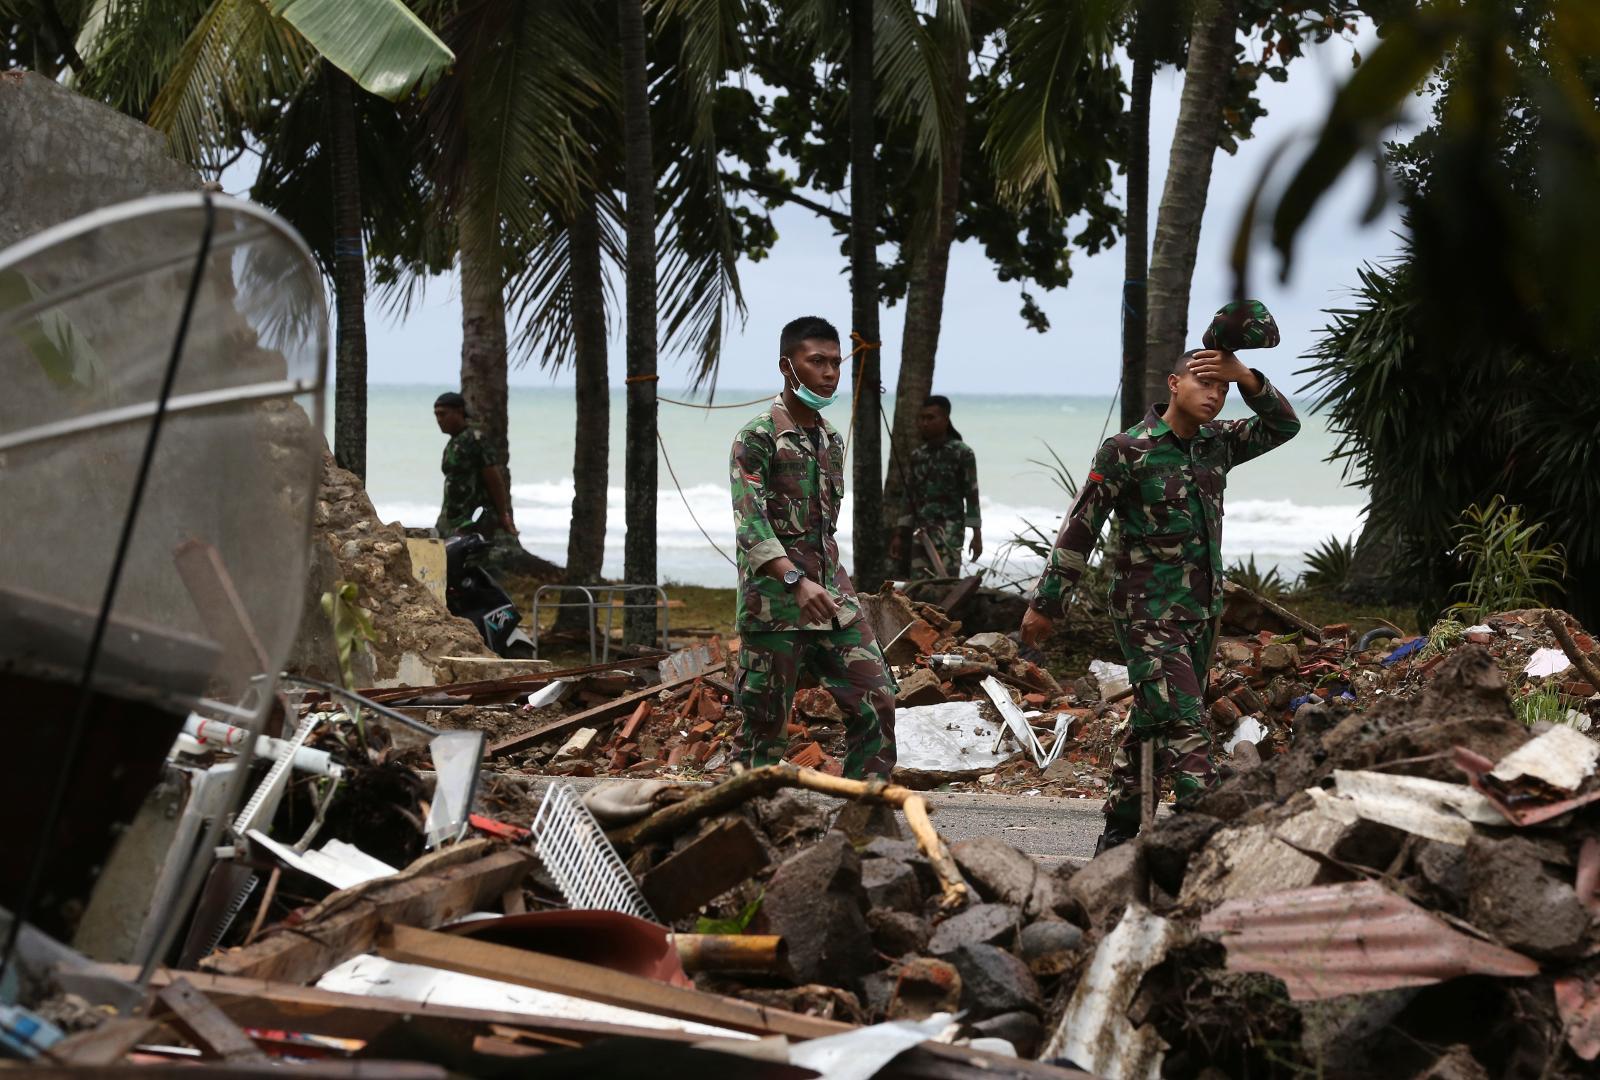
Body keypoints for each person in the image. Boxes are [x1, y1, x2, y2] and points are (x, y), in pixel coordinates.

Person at [1019, 300, 1299, 851]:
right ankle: (1203, 846)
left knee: (1152, 723)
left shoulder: (1218, 445)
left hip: (1201, 615)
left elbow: (1285, 424)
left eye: (1222, 388)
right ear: (1174, 383)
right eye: (1205, 382)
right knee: (1190, 728)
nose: (1215, 395)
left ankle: (1117, 841)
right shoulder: (1128, 451)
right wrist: (1047, 605)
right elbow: (1081, 528)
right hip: (1146, 615)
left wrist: (1245, 374)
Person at [729, 316, 897, 778]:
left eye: (835, 363)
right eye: (816, 361)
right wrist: (794, 580)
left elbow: (825, 530)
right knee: (763, 732)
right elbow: (751, 523)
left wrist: (826, 584)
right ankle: (742, 831)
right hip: (776, 608)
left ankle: (865, 823)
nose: (829, 373)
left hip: (833, 603)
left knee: (877, 701)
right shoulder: (758, 437)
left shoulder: (831, 440)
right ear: (788, 366)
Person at [891, 395, 981, 579]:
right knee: (919, 587)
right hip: (921, 532)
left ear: (945, 420)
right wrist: (900, 535)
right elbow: (909, 498)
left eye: (930, 418)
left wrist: (976, 535)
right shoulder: (918, 456)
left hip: (950, 534)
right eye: (921, 418)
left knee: (946, 585)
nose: (924, 423)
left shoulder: (962, 453)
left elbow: (972, 496)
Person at [433, 391, 517, 539]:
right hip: (452, 518)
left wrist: (503, 514)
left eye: (443, 414)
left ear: (459, 411)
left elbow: (494, 478)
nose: (439, 420)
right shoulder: (454, 442)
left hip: (473, 518)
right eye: (437, 415)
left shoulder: (475, 439)